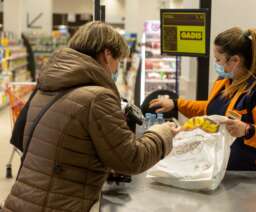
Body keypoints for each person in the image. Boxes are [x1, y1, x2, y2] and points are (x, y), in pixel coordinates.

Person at [2, 21, 178, 212]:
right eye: (118, 61)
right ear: (107, 54)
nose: (116, 69)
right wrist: (161, 134)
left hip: (22, 202)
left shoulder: (46, 87)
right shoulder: (98, 98)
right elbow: (131, 159)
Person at [149, 27, 256, 171]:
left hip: (254, 177)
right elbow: (211, 109)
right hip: (225, 170)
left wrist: (246, 130)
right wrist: (176, 104)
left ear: (235, 60)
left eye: (218, 59)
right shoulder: (224, 82)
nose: (216, 64)